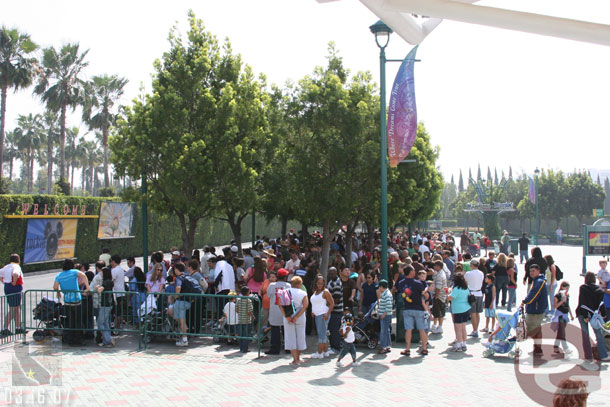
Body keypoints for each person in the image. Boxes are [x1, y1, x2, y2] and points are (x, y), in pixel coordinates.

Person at [54, 259, 90, 346]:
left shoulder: (59, 275)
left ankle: (70, 340)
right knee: (78, 321)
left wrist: (58, 292)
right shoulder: (74, 272)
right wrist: (87, 287)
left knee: (70, 322)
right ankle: (78, 340)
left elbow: (55, 286)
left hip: (67, 301)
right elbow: (84, 276)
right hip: (76, 299)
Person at [576, 271, 609, 361]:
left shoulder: (583, 287)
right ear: (594, 279)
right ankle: (603, 355)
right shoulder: (599, 289)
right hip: (595, 315)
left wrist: (585, 315)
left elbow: (582, 302)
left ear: (586, 279)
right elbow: (601, 304)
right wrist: (604, 314)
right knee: (599, 334)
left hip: (583, 313)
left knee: (585, 334)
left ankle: (588, 356)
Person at [397, 265, 429, 357]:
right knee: (422, 329)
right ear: (411, 272)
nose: (415, 272)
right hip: (419, 308)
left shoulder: (401, 283)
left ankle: (407, 349)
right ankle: (424, 348)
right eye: (414, 270)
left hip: (407, 308)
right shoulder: (418, 283)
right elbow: (425, 295)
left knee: (408, 329)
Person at [521, 264, 548, 357]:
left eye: (533, 271)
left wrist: (525, 301)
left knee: (531, 330)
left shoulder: (539, 281)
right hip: (536, 309)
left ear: (538, 271)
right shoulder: (537, 280)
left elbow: (534, 294)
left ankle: (537, 348)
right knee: (537, 329)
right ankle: (537, 348)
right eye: (530, 271)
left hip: (536, 310)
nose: (531, 272)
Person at [280, 276, 309, 366]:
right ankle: (298, 358)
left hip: (288, 316)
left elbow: (280, 305)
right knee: (300, 337)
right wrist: (297, 316)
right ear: (300, 284)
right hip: (300, 317)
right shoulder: (303, 293)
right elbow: (305, 306)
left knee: (290, 338)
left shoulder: (285, 292)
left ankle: (294, 359)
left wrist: (286, 316)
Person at [265, 268, 291, 355]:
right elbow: (288, 299)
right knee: (286, 330)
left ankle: (275, 349)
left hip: (274, 310)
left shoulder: (272, 285)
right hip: (284, 310)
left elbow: (268, 295)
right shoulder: (288, 285)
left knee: (275, 331)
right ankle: (288, 348)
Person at [310, 275, 334, 359]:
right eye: (318, 283)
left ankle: (319, 353)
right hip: (317, 315)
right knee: (323, 334)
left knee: (321, 335)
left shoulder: (325, 292)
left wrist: (327, 314)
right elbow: (315, 303)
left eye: (321, 283)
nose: (320, 285)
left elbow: (332, 303)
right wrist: (312, 311)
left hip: (323, 314)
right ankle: (326, 351)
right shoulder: (315, 291)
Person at [0, 254, 24, 336]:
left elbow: (0, 274)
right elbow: (15, 274)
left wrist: (5, 282)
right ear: (18, 260)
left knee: (16, 308)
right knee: (13, 309)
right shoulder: (16, 267)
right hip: (15, 287)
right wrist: (13, 282)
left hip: (7, 287)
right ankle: (5, 328)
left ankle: (18, 327)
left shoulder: (6, 267)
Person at [448, 273, 471, 352]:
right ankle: (464, 344)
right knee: (463, 327)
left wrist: (447, 293)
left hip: (458, 309)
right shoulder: (466, 288)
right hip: (466, 308)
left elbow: (450, 298)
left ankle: (459, 345)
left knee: (458, 328)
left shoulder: (456, 288)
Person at [95, 267, 115, 347]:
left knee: (100, 323)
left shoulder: (106, 282)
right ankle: (106, 341)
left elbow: (100, 290)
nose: (101, 274)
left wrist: (97, 287)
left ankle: (109, 338)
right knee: (106, 323)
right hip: (108, 304)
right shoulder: (109, 281)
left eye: (102, 273)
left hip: (105, 305)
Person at [552, 281, 574, 356]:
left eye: (568, 288)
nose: (567, 290)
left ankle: (556, 347)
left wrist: (571, 315)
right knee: (562, 332)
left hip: (565, 315)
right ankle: (565, 348)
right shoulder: (557, 296)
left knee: (560, 332)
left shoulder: (567, 295)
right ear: (561, 287)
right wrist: (562, 301)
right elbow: (555, 306)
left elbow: (568, 305)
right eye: (566, 288)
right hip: (559, 315)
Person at [465, 259, 484, 338]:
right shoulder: (481, 273)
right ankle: (476, 329)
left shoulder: (468, 273)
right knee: (477, 313)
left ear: (472, 265)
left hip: (471, 293)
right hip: (479, 293)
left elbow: (466, 283)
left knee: (473, 313)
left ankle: (475, 330)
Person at [327, 267, 343, 354]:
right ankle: (333, 346)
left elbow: (336, 299)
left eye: (332, 273)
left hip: (336, 311)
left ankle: (336, 348)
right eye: (330, 273)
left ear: (336, 273)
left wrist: (328, 304)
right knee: (332, 329)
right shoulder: (331, 282)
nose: (331, 275)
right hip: (333, 310)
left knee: (335, 330)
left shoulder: (336, 283)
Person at [236, 286, 254, 353]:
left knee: (241, 335)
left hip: (240, 320)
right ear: (247, 293)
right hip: (247, 321)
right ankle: (245, 349)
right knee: (246, 335)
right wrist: (252, 316)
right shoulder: (248, 301)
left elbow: (237, 309)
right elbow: (249, 311)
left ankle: (241, 348)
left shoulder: (239, 300)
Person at [431, 260, 447, 335]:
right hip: (442, 296)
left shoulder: (440, 275)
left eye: (435, 266)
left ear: (438, 266)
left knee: (438, 312)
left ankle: (439, 327)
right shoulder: (440, 273)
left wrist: (436, 296)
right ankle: (436, 325)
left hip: (439, 296)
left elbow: (438, 287)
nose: (434, 267)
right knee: (438, 312)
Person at [110, 255, 126, 329]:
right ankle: (118, 327)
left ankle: (115, 327)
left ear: (113, 261)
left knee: (115, 311)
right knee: (119, 312)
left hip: (115, 293)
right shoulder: (121, 269)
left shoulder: (114, 270)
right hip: (121, 292)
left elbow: (111, 281)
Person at [378, 279, 393, 354]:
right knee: (387, 330)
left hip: (385, 315)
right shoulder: (387, 293)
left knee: (383, 331)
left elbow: (389, 305)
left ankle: (383, 346)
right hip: (387, 315)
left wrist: (384, 314)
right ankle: (388, 345)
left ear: (381, 287)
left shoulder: (386, 294)